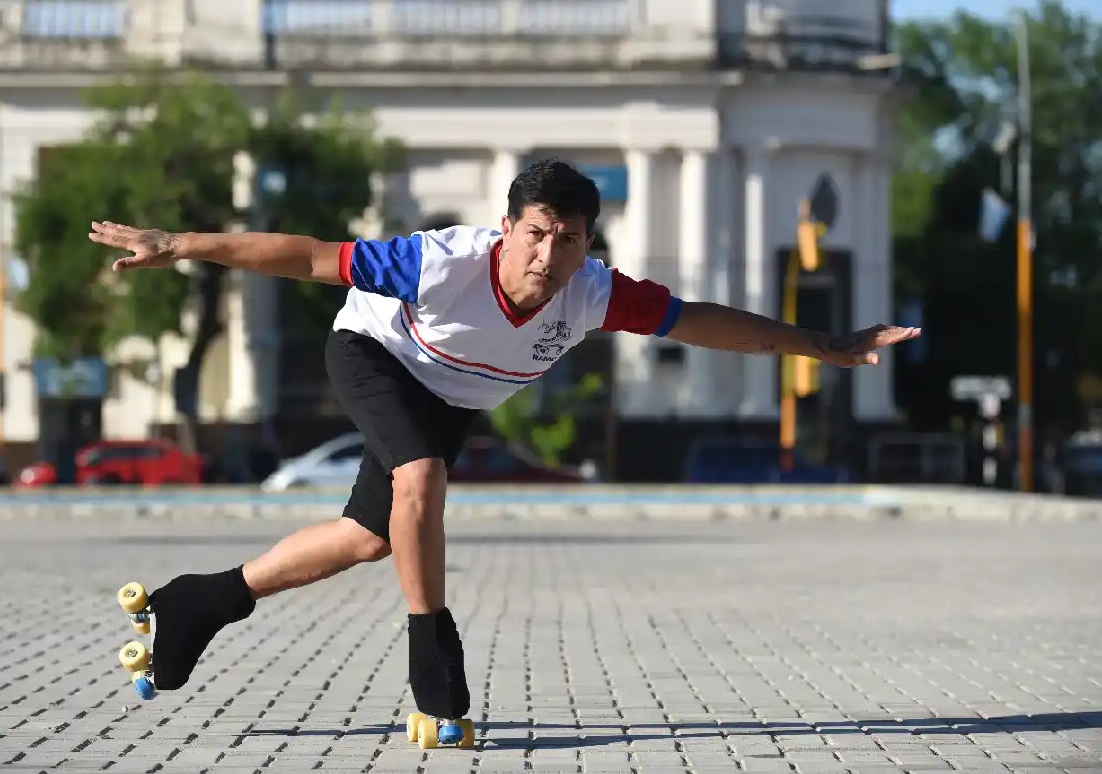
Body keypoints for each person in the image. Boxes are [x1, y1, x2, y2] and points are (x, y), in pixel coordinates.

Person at [89, 158, 918, 723]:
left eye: (568, 239)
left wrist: (823, 345)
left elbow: (700, 321)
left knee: (370, 538)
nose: (548, 255)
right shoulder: (438, 263)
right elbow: (310, 257)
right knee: (419, 479)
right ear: (507, 227)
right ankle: (434, 667)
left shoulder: (592, 294)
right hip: (378, 355)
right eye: (536, 233)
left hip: (456, 393)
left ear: (588, 244)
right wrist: (182, 245)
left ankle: (200, 600)